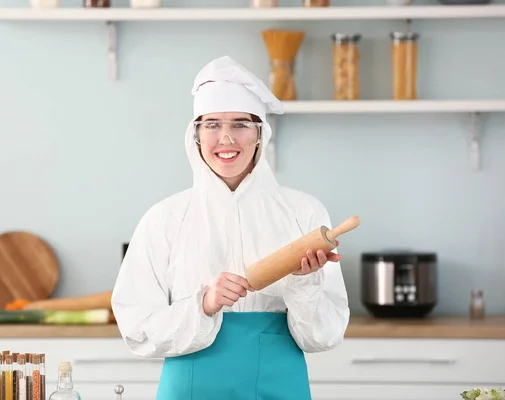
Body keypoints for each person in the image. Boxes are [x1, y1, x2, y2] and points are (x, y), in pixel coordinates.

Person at [111, 56, 350, 400]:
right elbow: (137, 329)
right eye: (211, 124)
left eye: (240, 124)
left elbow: (324, 337)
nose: (226, 138)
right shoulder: (164, 218)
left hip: (279, 384)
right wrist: (203, 304)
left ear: (259, 135)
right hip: (192, 385)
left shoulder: (305, 213)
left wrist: (303, 285)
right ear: (195, 136)